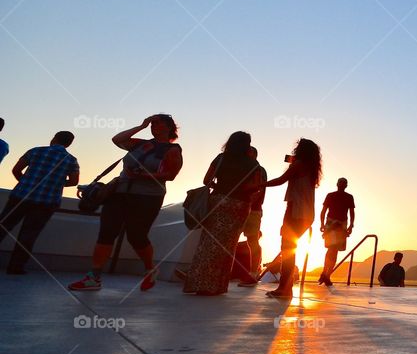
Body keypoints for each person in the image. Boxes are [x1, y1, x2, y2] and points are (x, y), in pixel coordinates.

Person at [69, 115, 182, 291]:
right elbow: (117, 139)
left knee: (136, 236)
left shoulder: (173, 150)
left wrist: (141, 176)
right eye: (152, 123)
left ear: (169, 127)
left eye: (158, 123)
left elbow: (170, 175)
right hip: (120, 192)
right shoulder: (140, 144)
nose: (153, 126)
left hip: (147, 197)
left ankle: (150, 268)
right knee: (107, 232)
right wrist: (142, 125)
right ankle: (93, 277)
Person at [183, 132, 261, 296]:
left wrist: (221, 186)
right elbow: (256, 186)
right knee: (227, 245)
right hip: (239, 205)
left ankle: (198, 282)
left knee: (207, 242)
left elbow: (206, 180)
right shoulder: (253, 164)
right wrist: (240, 188)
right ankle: (216, 286)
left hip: (218, 201)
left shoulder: (220, 158)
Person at [1, 131, 79, 274]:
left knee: (3, 226)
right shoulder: (71, 160)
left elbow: (16, 169)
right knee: (29, 235)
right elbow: (74, 182)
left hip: (21, 196)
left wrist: (25, 182)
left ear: (54, 139)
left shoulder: (36, 151)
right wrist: (56, 183)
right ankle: (15, 267)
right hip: (46, 202)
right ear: (69, 144)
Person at [261, 139, 321, 298]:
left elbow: (281, 180)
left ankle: (284, 288)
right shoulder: (311, 167)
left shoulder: (299, 165)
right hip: (307, 214)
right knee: (289, 249)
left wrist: (259, 185)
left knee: (287, 249)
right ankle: (285, 287)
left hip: (295, 212)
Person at [238, 146, 268, 286]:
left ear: (254, 155)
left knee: (252, 240)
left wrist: (248, 204)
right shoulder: (243, 168)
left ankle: (253, 273)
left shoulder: (259, 170)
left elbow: (259, 190)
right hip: (240, 207)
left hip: (252, 210)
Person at [318, 177, 355, 287]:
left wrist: (351, 225)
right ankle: (326, 273)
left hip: (341, 225)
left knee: (334, 250)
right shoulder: (330, 195)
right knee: (331, 249)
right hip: (331, 224)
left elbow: (352, 212)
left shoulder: (349, 197)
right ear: (337, 184)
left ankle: (326, 274)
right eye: (341, 183)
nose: (342, 185)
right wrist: (322, 224)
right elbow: (323, 211)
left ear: (346, 186)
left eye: (344, 183)